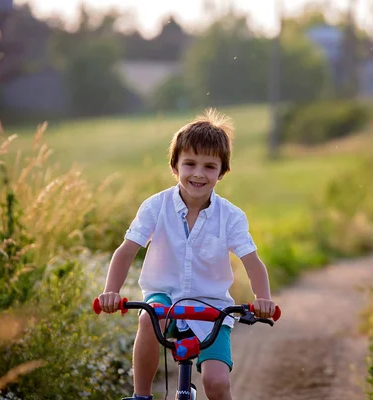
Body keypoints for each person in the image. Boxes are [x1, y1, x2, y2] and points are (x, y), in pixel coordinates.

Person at [98, 108, 278, 400]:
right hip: (164, 297)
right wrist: (111, 292)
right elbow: (125, 251)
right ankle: (141, 395)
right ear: (174, 166)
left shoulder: (230, 216)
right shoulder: (155, 207)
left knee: (217, 383)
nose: (198, 173)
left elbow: (252, 262)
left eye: (209, 166)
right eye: (189, 163)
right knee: (149, 317)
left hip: (212, 307)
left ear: (222, 172)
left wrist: (263, 300)